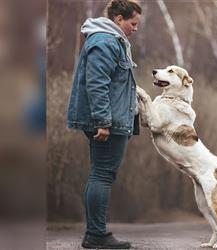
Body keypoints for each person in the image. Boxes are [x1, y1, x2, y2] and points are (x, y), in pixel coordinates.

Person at [66, 0, 141, 249]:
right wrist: (103, 122)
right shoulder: (105, 42)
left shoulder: (111, 41)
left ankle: (95, 233)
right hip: (107, 122)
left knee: (101, 173)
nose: (135, 28)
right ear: (119, 19)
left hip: (113, 119)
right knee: (102, 174)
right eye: (133, 23)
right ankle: (96, 234)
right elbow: (97, 85)